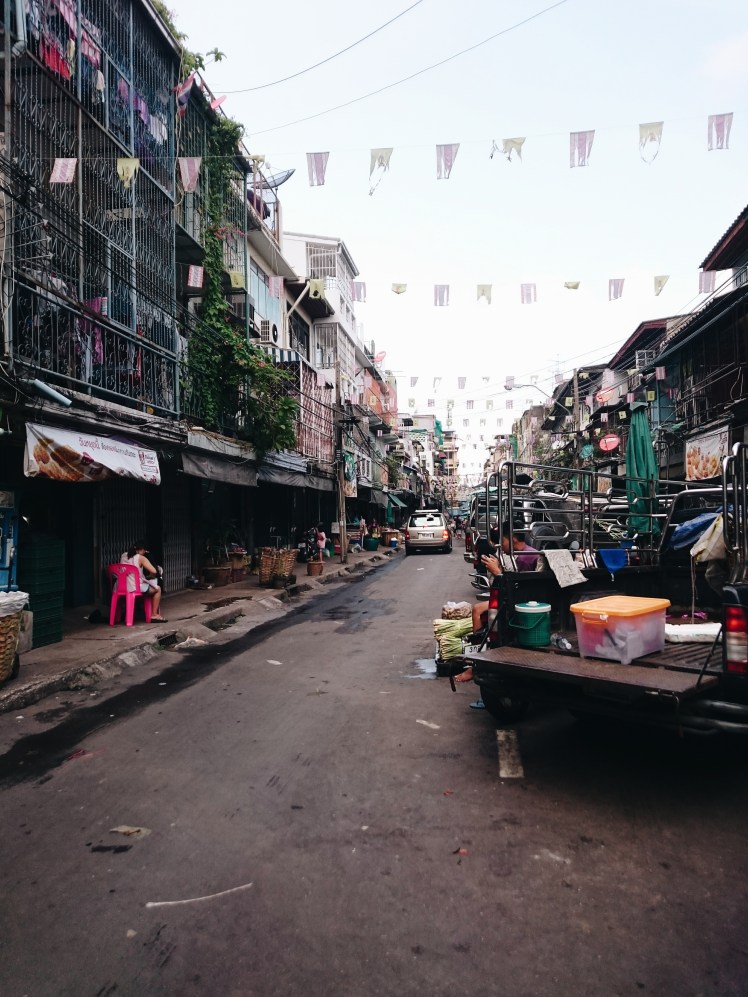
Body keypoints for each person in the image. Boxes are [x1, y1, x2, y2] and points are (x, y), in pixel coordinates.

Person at [456, 521, 539, 685]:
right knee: (478, 608)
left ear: (513, 539)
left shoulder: (527, 557)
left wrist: (498, 572)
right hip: (513, 597)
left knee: (478, 610)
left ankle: (476, 665)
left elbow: (518, 589)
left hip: (518, 602)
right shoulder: (520, 554)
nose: (501, 544)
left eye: (503, 539)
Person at [120, 541, 167, 621]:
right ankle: (154, 615)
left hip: (121, 587)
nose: (145, 552)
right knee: (158, 589)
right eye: (144, 551)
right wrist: (150, 576)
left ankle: (124, 615)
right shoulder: (141, 558)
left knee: (143, 589)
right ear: (142, 549)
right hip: (134, 587)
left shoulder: (123, 555)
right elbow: (154, 571)